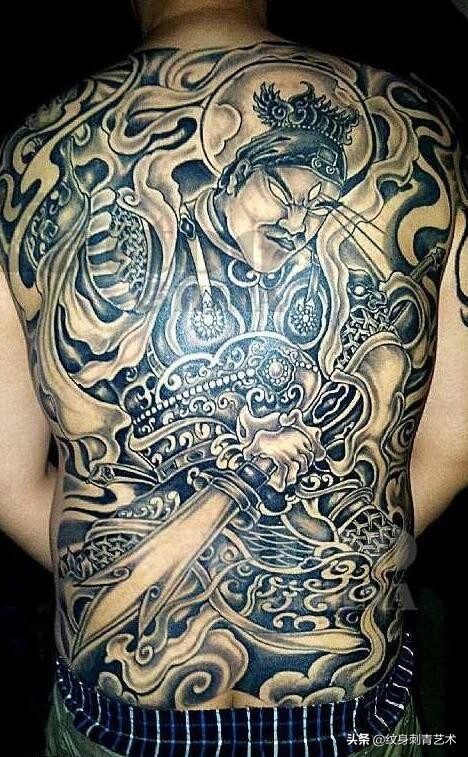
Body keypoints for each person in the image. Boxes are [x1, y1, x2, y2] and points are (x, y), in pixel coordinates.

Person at [0, 0, 466, 754]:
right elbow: (454, 448)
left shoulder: (28, 151)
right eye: (283, 193)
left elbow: (7, 481)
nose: (298, 223)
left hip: (128, 716)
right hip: (345, 710)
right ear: (238, 166)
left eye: (315, 210)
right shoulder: (428, 132)